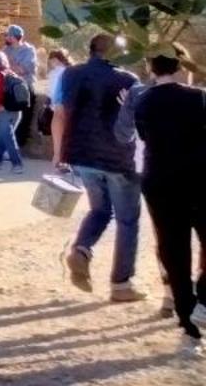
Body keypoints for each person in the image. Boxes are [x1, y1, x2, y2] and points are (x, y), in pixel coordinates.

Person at [54, 33, 146, 303]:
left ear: (90, 49)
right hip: (118, 159)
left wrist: (59, 153)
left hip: (81, 155)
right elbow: (135, 123)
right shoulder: (128, 80)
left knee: (99, 210)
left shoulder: (70, 75)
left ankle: (81, 250)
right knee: (127, 220)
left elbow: (59, 113)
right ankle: (121, 285)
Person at [130, 54, 206, 344]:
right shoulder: (198, 97)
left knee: (173, 248)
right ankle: (204, 300)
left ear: (150, 68)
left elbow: (143, 136)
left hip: (159, 179)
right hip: (199, 179)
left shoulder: (142, 101)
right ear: (179, 67)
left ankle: (187, 319)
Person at [3, 24, 40, 147]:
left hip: (24, 87)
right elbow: (0, 67)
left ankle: (17, 147)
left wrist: (10, 65)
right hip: (9, 88)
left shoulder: (28, 50)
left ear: (14, 37)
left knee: (24, 119)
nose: (5, 38)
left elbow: (23, 69)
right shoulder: (5, 50)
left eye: (7, 35)